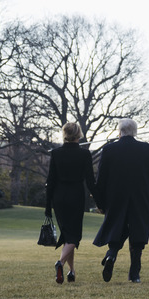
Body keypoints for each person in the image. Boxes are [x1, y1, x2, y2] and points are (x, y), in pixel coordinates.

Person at [92, 118, 149, 283]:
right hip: (141, 197)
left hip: (115, 198)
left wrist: (100, 203)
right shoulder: (146, 149)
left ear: (119, 132)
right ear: (135, 132)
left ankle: (111, 255)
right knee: (138, 233)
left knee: (117, 228)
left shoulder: (109, 149)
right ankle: (134, 274)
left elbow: (101, 179)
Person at [44, 122, 98, 284]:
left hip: (59, 198)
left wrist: (47, 206)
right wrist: (99, 200)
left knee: (68, 235)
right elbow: (90, 182)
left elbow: (50, 181)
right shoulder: (84, 154)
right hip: (76, 196)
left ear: (65, 134)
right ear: (79, 134)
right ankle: (60, 263)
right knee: (75, 236)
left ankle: (71, 271)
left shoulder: (56, 153)